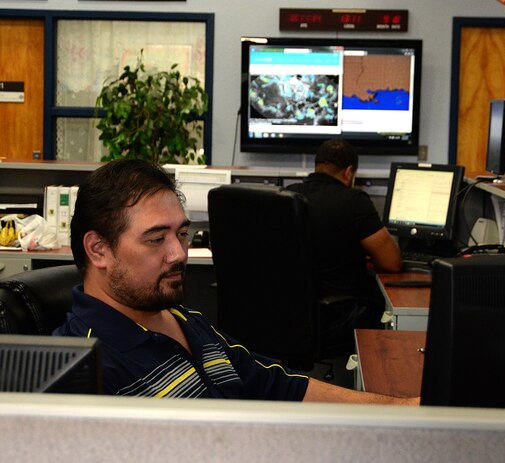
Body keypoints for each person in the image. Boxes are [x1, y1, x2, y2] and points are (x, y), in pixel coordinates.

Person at [53, 158, 416, 405]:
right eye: (155, 239)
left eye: (181, 233)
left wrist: (401, 409)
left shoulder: (182, 320)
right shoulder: (81, 370)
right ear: (98, 250)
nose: (178, 254)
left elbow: (278, 384)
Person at [285, 139, 402, 313]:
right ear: (348, 172)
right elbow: (391, 263)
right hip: (342, 312)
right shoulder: (355, 201)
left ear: (316, 167)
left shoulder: (288, 196)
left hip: (294, 310)